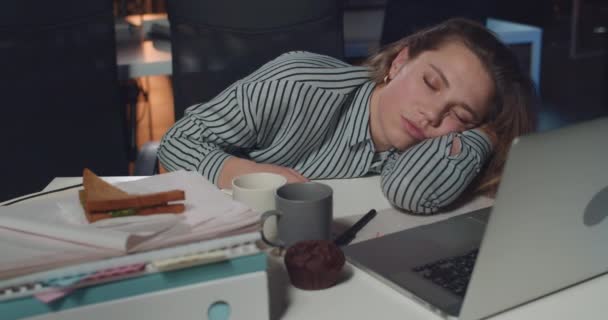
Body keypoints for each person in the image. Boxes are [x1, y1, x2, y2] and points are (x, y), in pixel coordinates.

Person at [158, 18, 536, 215]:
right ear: (401, 61)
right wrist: (249, 174)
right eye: (431, 83)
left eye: (459, 113)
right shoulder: (297, 82)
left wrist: (486, 134)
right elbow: (178, 142)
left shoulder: (436, 145)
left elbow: (411, 190)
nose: (432, 115)